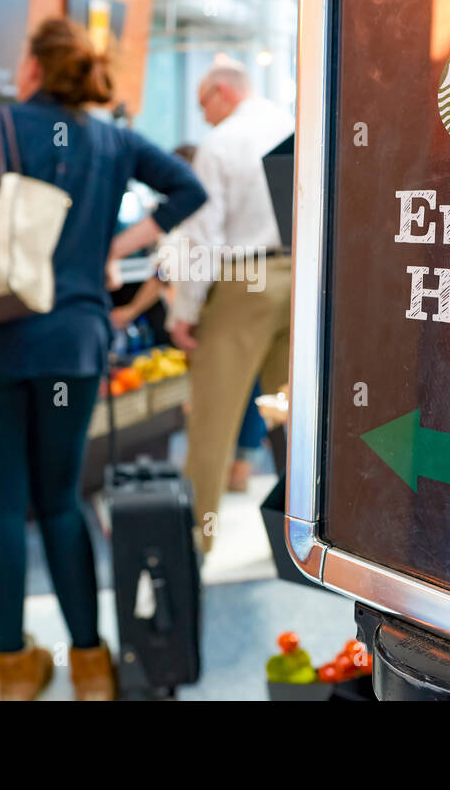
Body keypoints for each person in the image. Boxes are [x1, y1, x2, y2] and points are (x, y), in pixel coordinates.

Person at [0, 19, 206, 701]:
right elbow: (189, 190)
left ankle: (16, 670)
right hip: (72, 344)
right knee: (60, 502)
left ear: (33, 69)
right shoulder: (113, 141)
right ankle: (88, 665)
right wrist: (112, 245)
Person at [168, 59, 293, 553]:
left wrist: (185, 310)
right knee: (290, 416)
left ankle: (197, 537)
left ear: (223, 91)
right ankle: (304, 537)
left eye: (204, 104)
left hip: (245, 280)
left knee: (214, 418)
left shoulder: (220, 144)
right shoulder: (296, 125)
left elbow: (203, 236)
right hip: (300, 278)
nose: (203, 117)